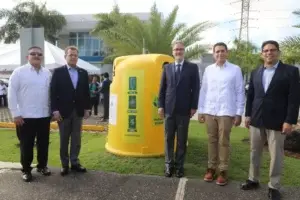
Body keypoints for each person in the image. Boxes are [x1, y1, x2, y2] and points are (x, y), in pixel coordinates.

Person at [240, 40, 300, 200]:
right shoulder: (255, 72)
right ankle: (253, 179)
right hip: (257, 119)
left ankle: (274, 186)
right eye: (265, 50)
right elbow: (251, 95)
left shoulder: (291, 71)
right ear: (262, 54)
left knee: (276, 155)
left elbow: (294, 99)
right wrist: (248, 115)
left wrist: (289, 120)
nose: (269, 53)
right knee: (254, 152)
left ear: (278, 52)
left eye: (272, 50)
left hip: (278, 121)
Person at [198, 42, 245, 186]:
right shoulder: (208, 70)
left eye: (222, 51)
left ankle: (223, 170)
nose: (220, 54)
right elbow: (204, 90)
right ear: (213, 54)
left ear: (227, 53)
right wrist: (201, 110)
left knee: (223, 141)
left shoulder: (235, 70)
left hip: (226, 111)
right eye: (217, 51)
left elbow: (240, 91)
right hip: (210, 110)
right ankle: (211, 168)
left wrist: (238, 113)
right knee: (211, 140)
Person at [8, 46, 52, 182]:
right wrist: (16, 113)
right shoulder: (19, 72)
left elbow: (51, 94)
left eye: (39, 54)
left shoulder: (47, 73)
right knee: (26, 145)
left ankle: (42, 166)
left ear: (42, 57)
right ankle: (26, 170)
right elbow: (11, 93)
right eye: (33, 54)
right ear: (27, 57)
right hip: (25, 117)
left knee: (43, 144)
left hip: (44, 116)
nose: (36, 56)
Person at [158, 40, 200, 178]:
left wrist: (194, 106)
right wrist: (161, 106)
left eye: (181, 49)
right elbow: (162, 89)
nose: (178, 52)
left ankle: (179, 167)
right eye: (176, 50)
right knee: (168, 139)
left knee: (182, 140)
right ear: (172, 52)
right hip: (169, 110)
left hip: (184, 110)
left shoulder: (192, 68)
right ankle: (168, 166)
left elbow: (196, 89)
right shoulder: (167, 68)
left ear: (184, 51)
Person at [50, 46, 90, 176]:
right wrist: (54, 110)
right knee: (64, 138)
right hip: (63, 112)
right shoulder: (58, 72)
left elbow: (86, 92)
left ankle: (75, 162)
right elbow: (53, 92)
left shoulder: (83, 73)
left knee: (77, 139)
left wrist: (87, 108)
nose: (73, 57)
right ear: (65, 56)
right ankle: (64, 164)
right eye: (70, 55)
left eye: (75, 55)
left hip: (78, 111)